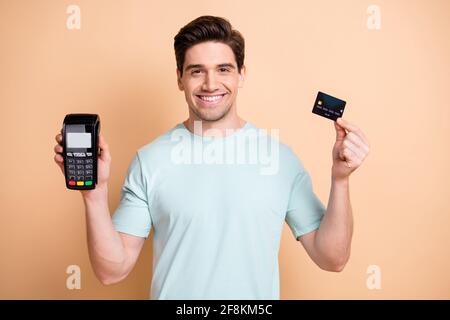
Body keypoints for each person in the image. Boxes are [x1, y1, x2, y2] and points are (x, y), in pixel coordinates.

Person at [53, 15, 370, 299]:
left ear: (241, 75)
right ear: (179, 78)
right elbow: (113, 271)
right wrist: (93, 195)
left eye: (223, 69)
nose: (210, 84)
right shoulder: (149, 161)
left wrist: (340, 180)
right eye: (196, 71)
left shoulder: (280, 160)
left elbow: (333, 258)